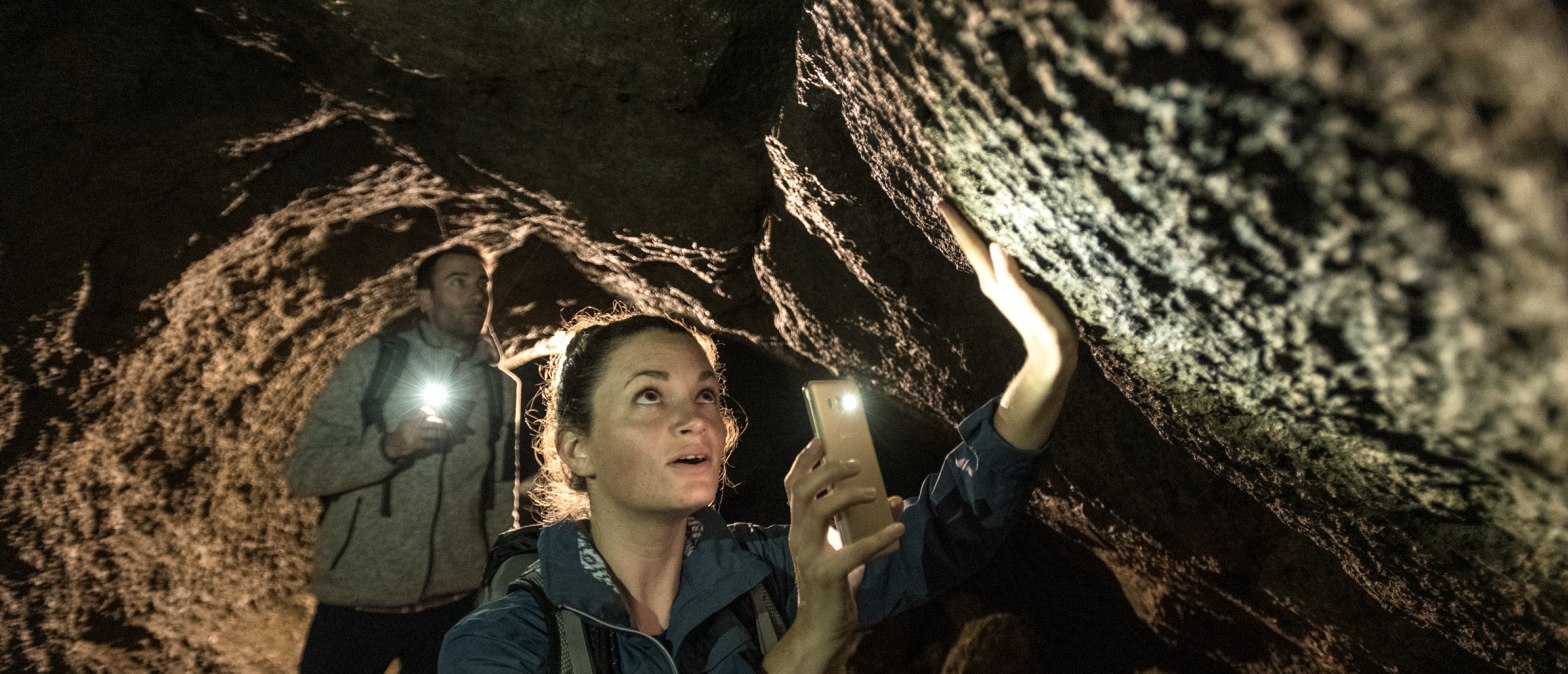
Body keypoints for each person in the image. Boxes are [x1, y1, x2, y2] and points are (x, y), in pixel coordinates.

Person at [438, 198, 1077, 672]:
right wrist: (815, 637)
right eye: (649, 395)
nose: (695, 417)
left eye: (707, 394)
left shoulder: (771, 574)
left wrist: (1048, 361)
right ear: (577, 449)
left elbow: (949, 528)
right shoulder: (506, 641)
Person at [287, 244, 520, 674]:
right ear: (425, 299)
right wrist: (388, 448)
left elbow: (499, 494)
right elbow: (303, 472)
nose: (476, 295)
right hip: (359, 602)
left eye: (482, 284)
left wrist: (495, 588)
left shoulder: (499, 389)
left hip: (452, 607)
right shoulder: (372, 363)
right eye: (458, 282)